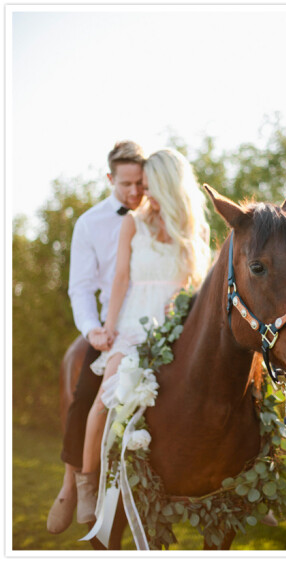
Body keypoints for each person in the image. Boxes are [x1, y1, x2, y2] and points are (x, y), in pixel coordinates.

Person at [74, 148, 210, 524]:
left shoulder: (196, 227)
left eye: (149, 186)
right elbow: (120, 279)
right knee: (104, 400)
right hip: (134, 319)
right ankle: (87, 487)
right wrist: (110, 326)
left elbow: (198, 283)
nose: (142, 193)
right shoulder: (134, 222)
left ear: (168, 185)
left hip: (177, 322)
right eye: (139, 185)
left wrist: (182, 303)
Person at [47, 141, 145, 534]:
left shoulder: (162, 214)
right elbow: (81, 287)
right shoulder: (89, 223)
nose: (135, 193)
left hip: (158, 316)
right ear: (110, 179)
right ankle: (72, 483)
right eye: (126, 185)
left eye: (141, 183)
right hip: (111, 325)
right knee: (85, 393)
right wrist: (92, 329)